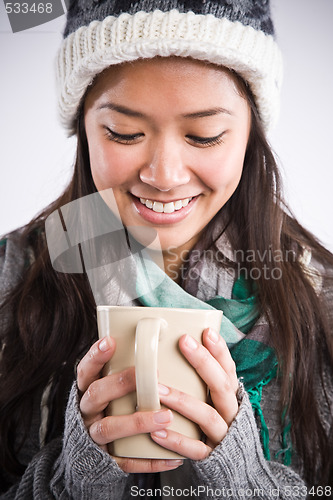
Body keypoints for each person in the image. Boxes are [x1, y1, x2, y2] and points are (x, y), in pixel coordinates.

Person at [0, 0, 332, 498]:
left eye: (204, 136)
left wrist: (243, 479)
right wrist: (75, 476)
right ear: (84, 128)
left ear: (248, 135)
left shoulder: (321, 299)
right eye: (123, 133)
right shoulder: (10, 279)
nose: (164, 176)